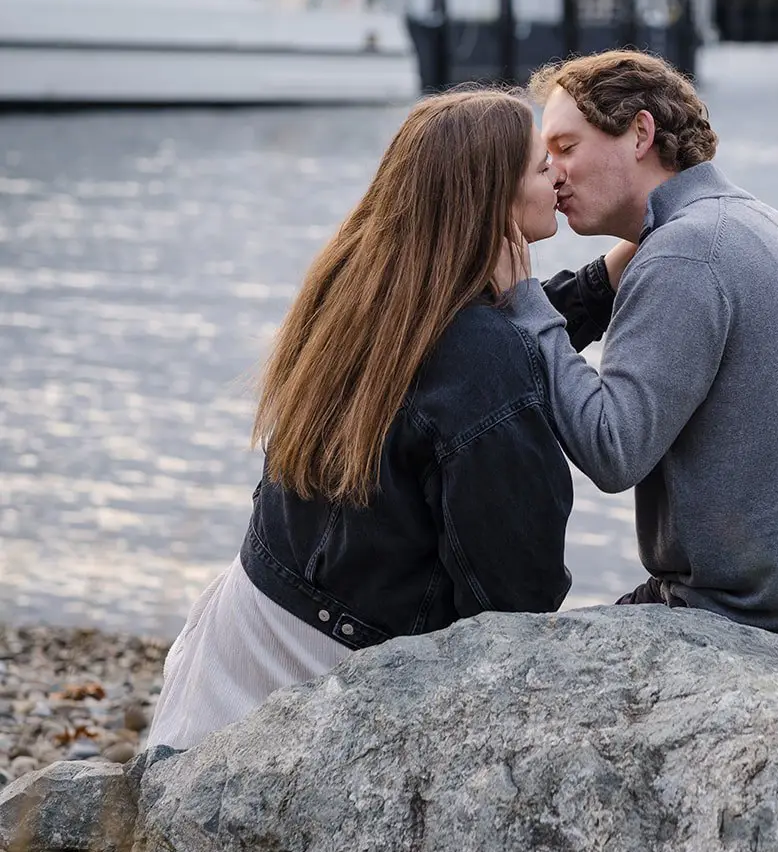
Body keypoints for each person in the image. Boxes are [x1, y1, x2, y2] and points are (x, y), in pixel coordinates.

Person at [148, 89, 575, 753]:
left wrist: (596, 285)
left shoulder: (360, 285)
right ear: (491, 198)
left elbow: (462, 359)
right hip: (322, 683)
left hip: (237, 637)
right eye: (540, 166)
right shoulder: (484, 358)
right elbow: (520, 594)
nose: (558, 175)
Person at [502, 49, 778, 635]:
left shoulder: (684, 254)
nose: (553, 172)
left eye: (566, 147)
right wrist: (608, 276)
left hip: (762, 619)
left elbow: (611, 448)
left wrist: (525, 300)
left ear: (640, 133)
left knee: (536, 660)